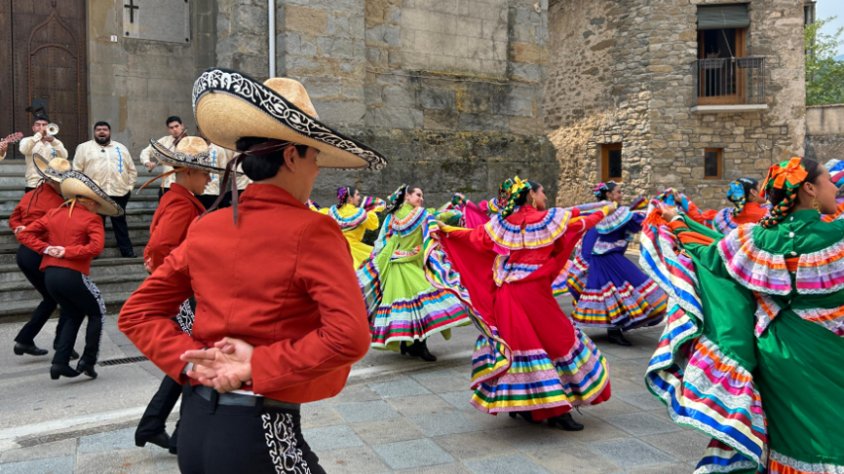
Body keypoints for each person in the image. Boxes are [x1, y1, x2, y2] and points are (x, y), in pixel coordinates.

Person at [119, 68, 387, 473]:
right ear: (292, 156)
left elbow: (137, 313)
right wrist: (255, 365)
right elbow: (349, 337)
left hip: (195, 426)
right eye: (314, 157)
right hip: (261, 432)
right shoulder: (313, 230)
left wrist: (192, 363)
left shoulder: (206, 226)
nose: (317, 169)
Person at [640, 157, 844, 472]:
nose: (835, 187)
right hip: (827, 347)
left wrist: (677, 222)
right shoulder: (836, 236)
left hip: (774, 350)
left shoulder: (754, 239)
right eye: (829, 181)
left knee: (793, 435)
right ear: (809, 189)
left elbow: (709, 253)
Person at [436, 177, 613, 430]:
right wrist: (604, 212)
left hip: (507, 295)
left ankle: (528, 407)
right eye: (542, 193)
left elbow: (474, 236)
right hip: (532, 294)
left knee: (523, 348)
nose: (545, 197)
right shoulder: (546, 219)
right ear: (531, 195)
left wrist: (447, 231)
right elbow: (575, 223)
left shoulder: (503, 223)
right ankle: (557, 411)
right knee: (557, 341)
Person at [135, 136, 223, 454]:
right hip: (184, 295)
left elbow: (156, 246)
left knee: (188, 359)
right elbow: (161, 247)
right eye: (205, 173)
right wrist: (170, 279)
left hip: (182, 293)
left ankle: (156, 425)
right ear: (187, 172)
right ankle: (180, 434)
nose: (209, 178)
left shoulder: (178, 199)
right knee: (195, 358)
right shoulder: (182, 204)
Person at [18, 170, 122, 380]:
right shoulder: (92, 219)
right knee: (97, 312)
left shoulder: (54, 214)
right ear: (89, 202)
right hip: (72, 274)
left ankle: (60, 362)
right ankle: (88, 360)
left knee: (73, 313)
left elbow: (25, 234)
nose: (97, 207)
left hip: (50, 275)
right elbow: (96, 248)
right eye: (96, 203)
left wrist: (46, 249)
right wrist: (66, 251)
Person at [357, 184, 472, 362]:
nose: (421, 198)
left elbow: (385, 241)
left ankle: (408, 345)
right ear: (407, 197)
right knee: (424, 306)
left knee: (409, 309)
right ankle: (419, 346)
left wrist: (377, 262)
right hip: (407, 265)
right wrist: (456, 211)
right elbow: (440, 216)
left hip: (397, 264)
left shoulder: (392, 216)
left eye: (422, 195)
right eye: (418, 195)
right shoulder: (422, 214)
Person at [565, 181, 667, 346]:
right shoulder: (608, 210)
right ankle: (614, 330)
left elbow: (627, 219)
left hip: (607, 257)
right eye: (618, 192)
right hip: (604, 258)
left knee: (615, 292)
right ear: (609, 194)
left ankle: (615, 329)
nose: (620, 195)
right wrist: (656, 207)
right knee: (618, 290)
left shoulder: (611, 210)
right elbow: (631, 219)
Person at [10, 155, 70, 356]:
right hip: (40, 253)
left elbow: (14, 218)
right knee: (63, 298)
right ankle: (61, 344)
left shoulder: (31, 194)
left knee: (52, 298)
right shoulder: (57, 202)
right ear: (53, 181)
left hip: (26, 254)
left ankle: (25, 340)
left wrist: (19, 228)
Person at [72, 121, 138, 258]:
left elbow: (132, 170)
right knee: (95, 225)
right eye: (98, 130)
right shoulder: (84, 148)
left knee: (120, 224)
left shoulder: (121, 148)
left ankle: (127, 251)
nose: (102, 132)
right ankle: (94, 252)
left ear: (109, 132)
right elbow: (77, 170)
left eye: (105, 129)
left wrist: (129, 187)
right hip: (94, 194)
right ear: (94, 132)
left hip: (119, 192)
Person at [320, 186, 383, 268]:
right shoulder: (360, 213)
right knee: (380, 262)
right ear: (350, 198)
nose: (359, 197)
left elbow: (317, 215)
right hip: (355, 251)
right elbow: (373, 225)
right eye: (357, 195)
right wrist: (372, 210)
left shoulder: (330, 212)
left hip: (334, 249)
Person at [19, 112, 68, 192]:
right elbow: (24, 150)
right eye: (38, 125)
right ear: (33, 128)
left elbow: (64, 157)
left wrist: (53, 141)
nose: (41, 127)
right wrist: (39, 135)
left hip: (52, 185)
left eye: (44, 125)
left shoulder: (56, 142)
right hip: (33, 184)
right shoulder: (27, 140)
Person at [139, 116, 186, 200]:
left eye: (177, 126)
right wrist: (147, 162)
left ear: (182, 126)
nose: (175, 129)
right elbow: (146, 151)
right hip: (167, 186)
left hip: (184, 187)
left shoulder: (189, 141)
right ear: (168, 129)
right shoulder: (165, 141)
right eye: (171, 128)